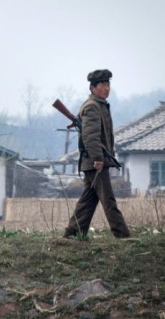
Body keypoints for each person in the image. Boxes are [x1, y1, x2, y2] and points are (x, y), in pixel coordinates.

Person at [63, 69, 130, 239]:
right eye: (103, 85)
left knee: (88, 201)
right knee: (108, 201)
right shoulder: (93, 107)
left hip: (93, 162)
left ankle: (73, 234)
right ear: (93, 88)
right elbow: (90, 137)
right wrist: (98, 159)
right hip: (95, 163)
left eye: (108, 85)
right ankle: (123, 236)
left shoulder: (98, 105)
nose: (107, 88)